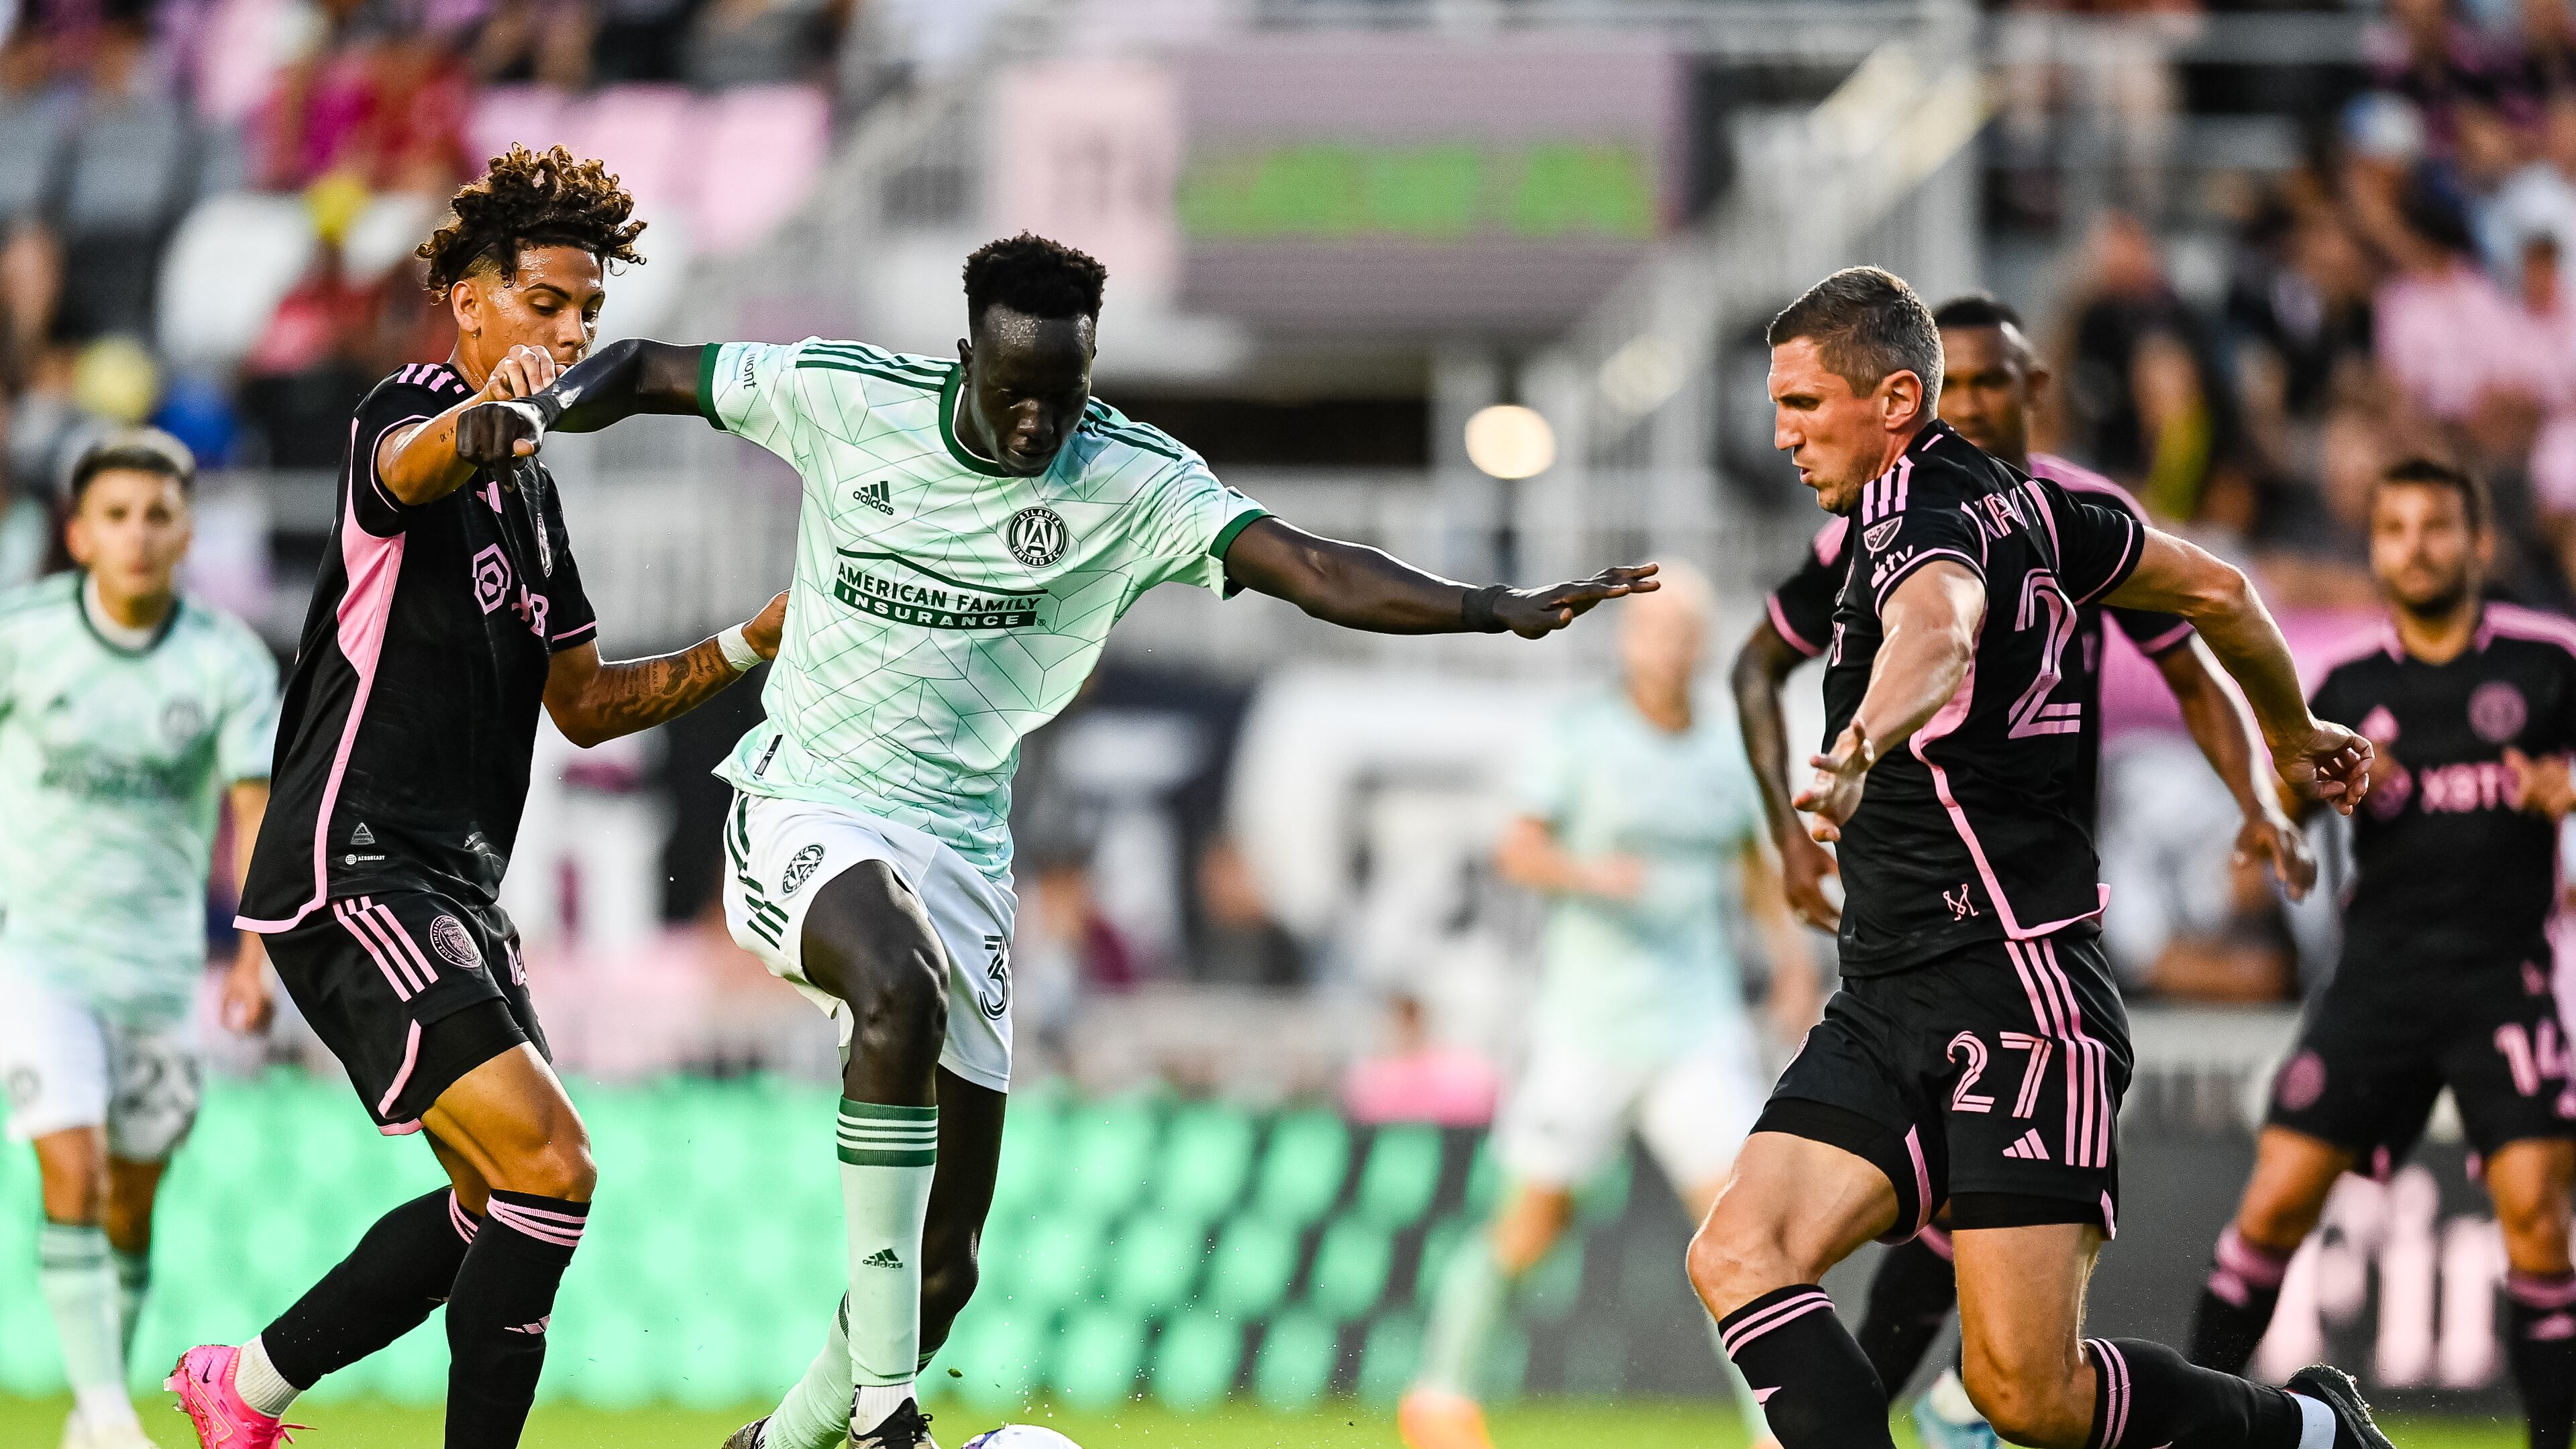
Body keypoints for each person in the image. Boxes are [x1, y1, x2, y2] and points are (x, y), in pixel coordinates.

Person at [449, 230, 1658, 1449]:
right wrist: (538, 414)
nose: (1039, 421)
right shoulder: (848, 398)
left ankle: (783, 1442)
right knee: (896, 993)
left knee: (943, 1275)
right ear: (965, 353)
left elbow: (1304, 566)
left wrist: (1485, 609)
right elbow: (655, 366)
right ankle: (885, 1423)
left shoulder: (1129, 481)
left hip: (962, 853)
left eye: (1064, 393)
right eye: (1015, 390)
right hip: (805, 802)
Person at [1685, 266, 2387, 1449]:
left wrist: (1860, 740)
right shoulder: (2042, 508)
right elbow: (2216, 588)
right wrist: (2288, 727)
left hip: (2017, 993)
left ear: (1897, 401)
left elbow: (1940, 631)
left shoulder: (1924, 522)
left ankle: (2310, 1437)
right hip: (1891, 992)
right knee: (1740, 1251)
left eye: (1804, 405)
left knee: (2029, 1396)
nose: (1781, 433)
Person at [166, 145, 790, 1449]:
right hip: (356, 865)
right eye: (548, 303)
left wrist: (750, 644)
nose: (569, 334)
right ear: (471, 300)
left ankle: (246, 1392)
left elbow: (585, 703)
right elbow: (419, 463)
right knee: (552, 1170)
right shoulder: (399, 418)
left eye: (587, 315)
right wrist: (491, 415)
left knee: (495, 1205)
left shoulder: (535, 498)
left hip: (454, 885)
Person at [2187, 458, 2576, 1449]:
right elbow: (2280, 812)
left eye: (2437, 527)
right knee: (2271, 1208)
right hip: (2378, 983)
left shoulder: (2546, 667)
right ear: (2375, 549)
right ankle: (2187, 1429)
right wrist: (2304, 803)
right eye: (2396, 528)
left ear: (2479, 543)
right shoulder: (2350, 689)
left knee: (2536, 1215)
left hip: (2504, 980)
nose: (2417, 546)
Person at [1398, 564, 1817, 1449]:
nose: (1672, 651)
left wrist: (1791, 966)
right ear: (1631, 642)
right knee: (1529, 1227)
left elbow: (1755, 864)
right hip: (1585, 1028)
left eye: (1687, 636)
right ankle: (1440, 1395)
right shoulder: (1579, 737)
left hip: (1695, 1025)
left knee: (1738, 1235)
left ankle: (1772, 1425)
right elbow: (1517, 850)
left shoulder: (1728, 746)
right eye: (1658, 633)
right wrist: (1593, 874)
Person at [0, 429, 280, 1449]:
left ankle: (91, 1408)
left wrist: (252, 958)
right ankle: (114, 1418)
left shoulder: (225, 662)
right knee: (68, 1171)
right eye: (115, 516)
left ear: (186, 531)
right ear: (78, 533)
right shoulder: (21, 634)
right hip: (35, 958)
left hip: (159, 974)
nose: (136, 535)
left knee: (131, 1199)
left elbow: (256, 819)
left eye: (157, 516)